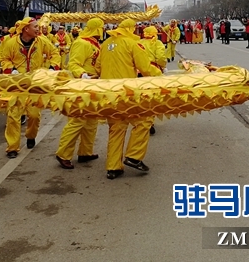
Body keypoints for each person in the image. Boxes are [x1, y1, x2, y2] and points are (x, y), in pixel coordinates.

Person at [100, 19, 162, 180]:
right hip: (127, 93)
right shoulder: (132, 44)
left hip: (109, 94)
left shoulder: (105, 44)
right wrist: (161, 76)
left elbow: (97, 67)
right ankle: (134, 156)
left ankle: (113, 167)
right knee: (145, 120)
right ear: (130, 29)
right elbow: (145, 68)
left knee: (116, 129)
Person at [0, 17, 61, 158]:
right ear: (26, 29)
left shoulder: (42, 42)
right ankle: (12, 147)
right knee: (13, 116)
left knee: (34, 115)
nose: (39, 29)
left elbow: (54, 54)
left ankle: (31, 136)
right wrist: (10, 68)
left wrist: (51, 67)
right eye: (35, 27)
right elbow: (4, 58)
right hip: (16, 85)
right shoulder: (11, 43)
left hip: (35, 85)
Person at [55, 18, 104, 169]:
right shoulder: (82, 43)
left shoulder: (94, 44)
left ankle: (85, 152)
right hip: (82, 86)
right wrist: (83, 75)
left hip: (93, 86)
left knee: (91, 121)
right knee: (77, 120)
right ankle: (63, 154)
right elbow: (74, 63)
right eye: (101, 27)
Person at [140, 25, 167, 136]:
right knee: (153, 97)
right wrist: (163, 66)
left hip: (140, 71)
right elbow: (160, 57)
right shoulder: (157, 43)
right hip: (153, 71)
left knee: (142, 96)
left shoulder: (138, 42)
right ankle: (150, 121)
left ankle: (142, 119)